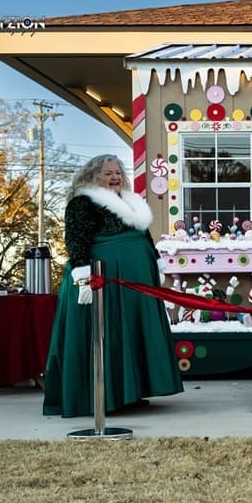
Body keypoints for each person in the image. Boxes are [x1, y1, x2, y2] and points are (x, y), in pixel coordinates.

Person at [43, 154, 183, 417]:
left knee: (129, 334)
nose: (115, 177)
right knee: (108, 334)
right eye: (108, 173)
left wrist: (155, 261)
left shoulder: (131, 203)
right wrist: (84, 277)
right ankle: (103, 397)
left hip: (134, 286)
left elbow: (144, 235)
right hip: (102, 281)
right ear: (94, 176)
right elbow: (75, 240)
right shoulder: (83, 203)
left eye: (118, 172)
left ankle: (130, 392)